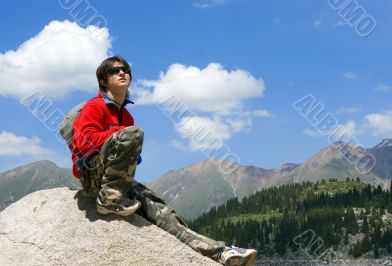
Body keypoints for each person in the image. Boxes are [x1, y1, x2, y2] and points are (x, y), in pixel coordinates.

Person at [70, 56, 257, 265]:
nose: (122, 73)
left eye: (125, 70)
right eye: (115, 71)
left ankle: (221, 252)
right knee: (132, 133)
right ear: (103, 81)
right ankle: (109, 201)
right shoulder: (95, 106)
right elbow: (85, 143)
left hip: (115, 180)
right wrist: (121, 134)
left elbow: (125, 154)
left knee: (162, 211)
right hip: (93, 177)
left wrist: (128, 149)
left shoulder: (127, 117)